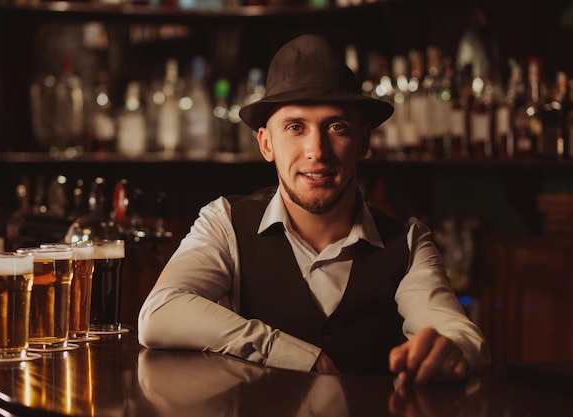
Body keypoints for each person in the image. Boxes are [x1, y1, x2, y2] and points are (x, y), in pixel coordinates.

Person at [138, 33, 491, 384]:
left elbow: (459, 334)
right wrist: (289, 353)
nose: (316, 150)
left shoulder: (408, 242)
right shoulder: (225, 222)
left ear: (364, 141)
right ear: (266, 143)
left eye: (336, 127)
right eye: (295, 127)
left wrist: (450, 350)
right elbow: (159, 313)